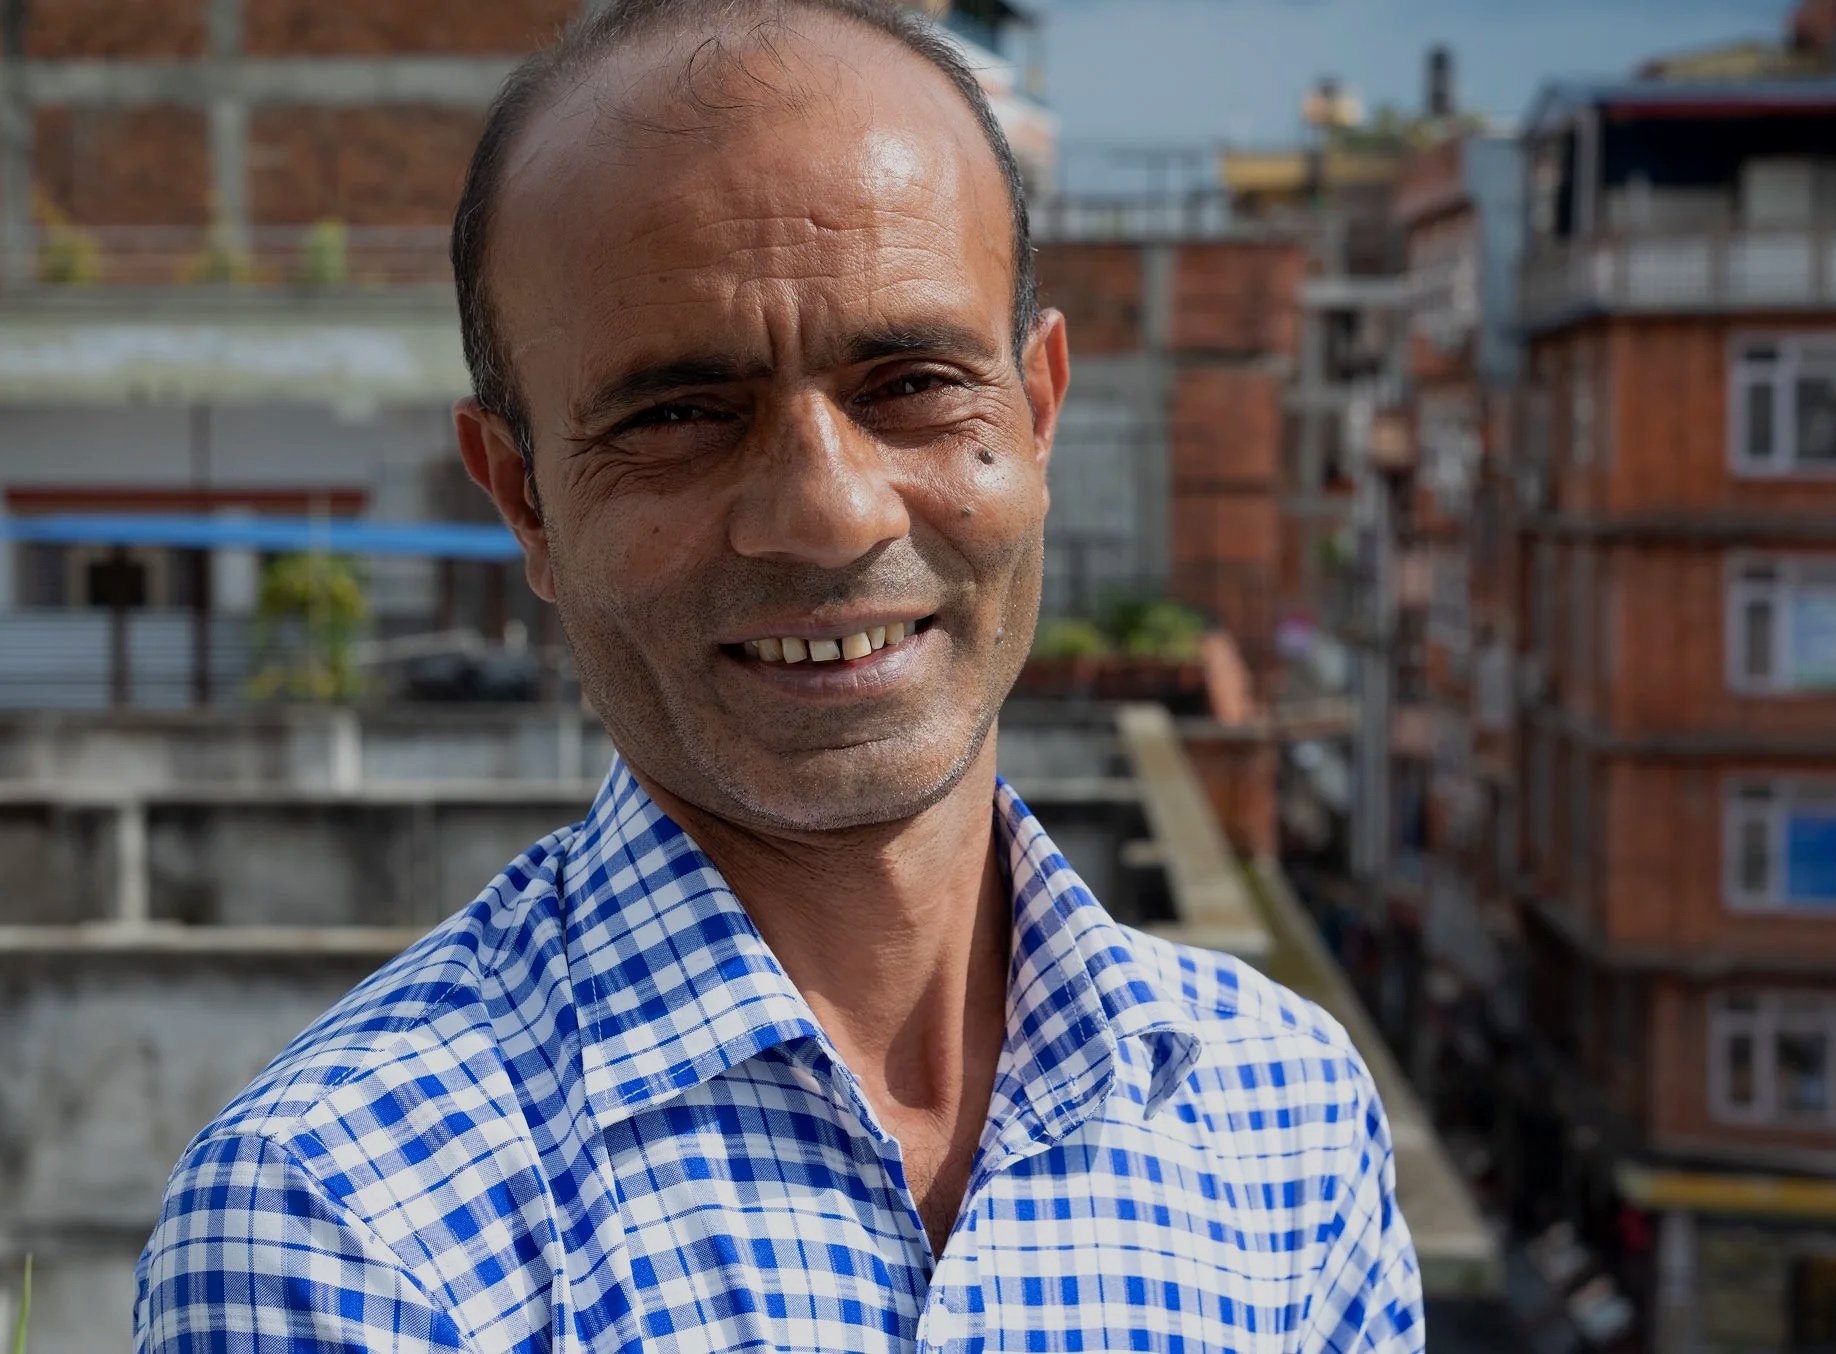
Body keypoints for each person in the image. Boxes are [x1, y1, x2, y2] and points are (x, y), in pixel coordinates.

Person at [133, 1, 1426, 1348]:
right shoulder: (343, 1217)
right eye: (680, 415)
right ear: (523, 500)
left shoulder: (1284, 1123)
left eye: (914, 383)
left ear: (1037, 414)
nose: (828, 512)